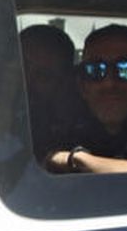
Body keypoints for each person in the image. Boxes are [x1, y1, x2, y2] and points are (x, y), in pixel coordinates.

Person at [46, 23, 127, 174]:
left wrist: (75, 159)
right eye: (95, 70)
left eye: (126, 69)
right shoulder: (67, 130)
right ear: (82, 86)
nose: (109, 83)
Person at [19, 23, 83, 158]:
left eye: (43, 75)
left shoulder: (78, 130)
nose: (27, 81)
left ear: (64, 81)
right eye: (22, 68)